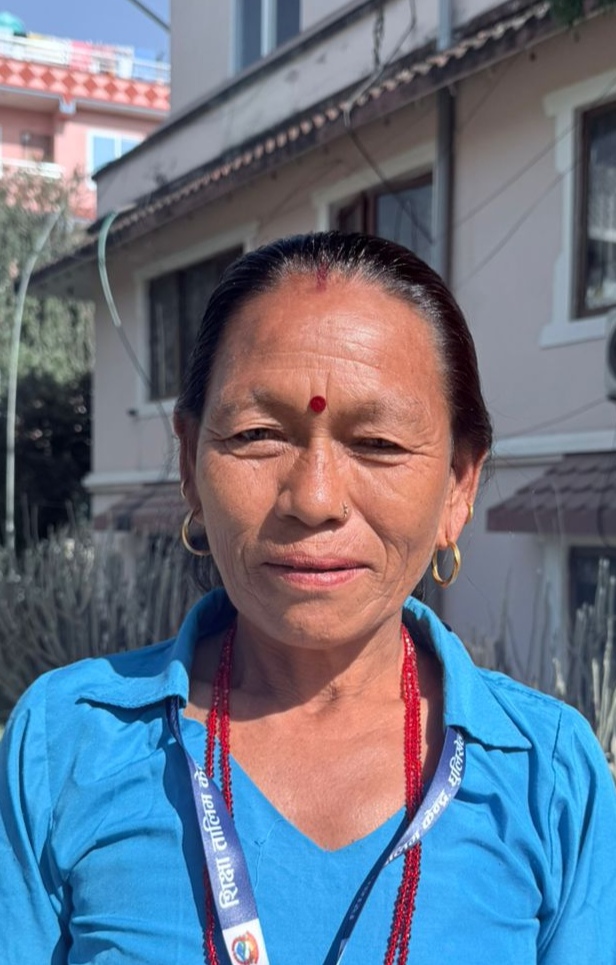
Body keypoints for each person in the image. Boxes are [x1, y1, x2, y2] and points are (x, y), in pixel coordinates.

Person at [1, 232, 615, 965]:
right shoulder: (66, 747)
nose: (315, 498)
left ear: (459, 484)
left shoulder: (547, 776)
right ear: (191, 463)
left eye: (378, 443)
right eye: (259, 433)